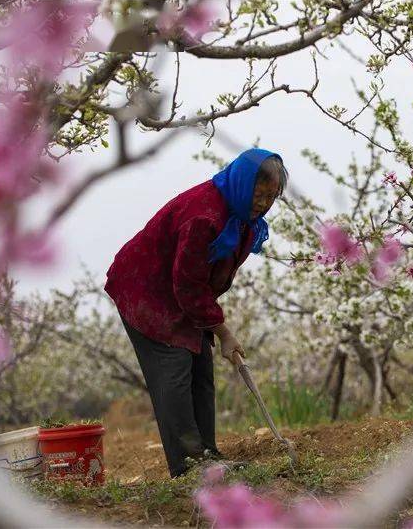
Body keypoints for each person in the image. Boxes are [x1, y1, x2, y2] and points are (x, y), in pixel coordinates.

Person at [104, 148, 287, 478]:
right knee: (174, 369)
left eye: (271, 197)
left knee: (201, 368)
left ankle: (207, 457)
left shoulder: (242, 218)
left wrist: (210, 324)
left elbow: (201, 278)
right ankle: (189, 467)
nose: (262, 204)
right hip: (146, 290)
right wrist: (224, 331)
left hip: (181, 292)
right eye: (258, 194)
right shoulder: (205, 216)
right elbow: (187, 285)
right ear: (243, 184)